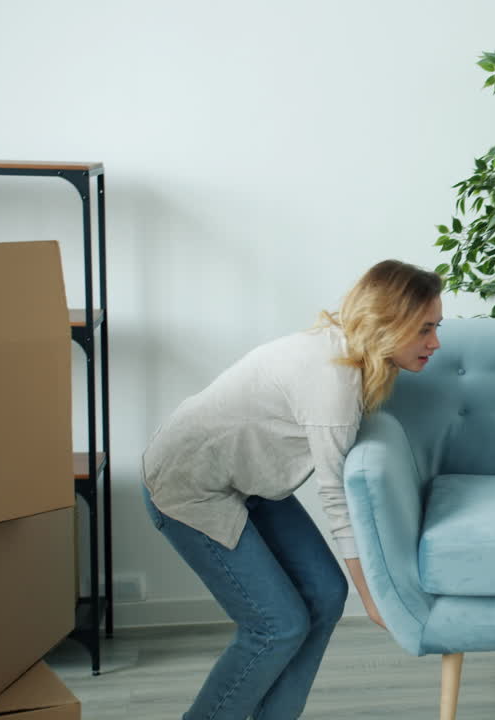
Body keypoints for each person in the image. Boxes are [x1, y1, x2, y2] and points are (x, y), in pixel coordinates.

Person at [141, 259, 443, 719]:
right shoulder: (334, 382)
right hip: (189, 484)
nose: (435, 342)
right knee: (276, 626)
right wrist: (375, 597)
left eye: (436, 327)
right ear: (388, 321)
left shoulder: (355, 356)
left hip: (246, 481)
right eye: (424, 329)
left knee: (324, 595)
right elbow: (338, 500)